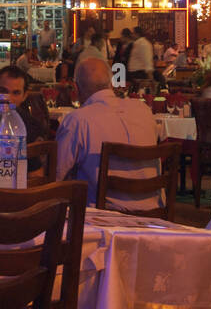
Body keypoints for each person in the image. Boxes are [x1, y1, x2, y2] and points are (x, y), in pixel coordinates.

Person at [55, 58, 160, 207]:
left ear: (76, 88)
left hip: (100, 218)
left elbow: (56, 174)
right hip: (153, 213)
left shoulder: (78, 120)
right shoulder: (144, 111)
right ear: (111, 84)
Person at [0, 65, 48, 146]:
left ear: (24, 96)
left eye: (16, 93)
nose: (9, 99)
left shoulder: (33, 128)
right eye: (3, 91)